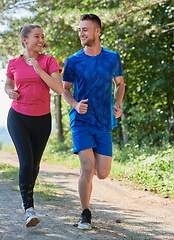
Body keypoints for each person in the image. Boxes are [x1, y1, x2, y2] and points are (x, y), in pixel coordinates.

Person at [62, 14, 125, 230]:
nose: (81, 33)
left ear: (97, 31)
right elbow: (65, 90)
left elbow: (120, 84)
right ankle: (85, 213)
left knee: (103, 173)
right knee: (87, 169)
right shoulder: (73, 61)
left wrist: (117, 104)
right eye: (80, 29)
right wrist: (75, 104)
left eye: (85, 30)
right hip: (81, 121)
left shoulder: (112, 57)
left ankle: (86, 204)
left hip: (104, 121)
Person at [5, 24, 63, 227]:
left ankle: (28, 201)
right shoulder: (13, 63)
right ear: (25, 40)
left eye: (42, 36)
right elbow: (8, 84)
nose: (41, 40)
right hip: (18, 116)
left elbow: (58, 88)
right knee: (26, 162)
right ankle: (28, 208)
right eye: (36, 36)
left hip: (42, 119)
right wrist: (9, 92)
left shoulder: (49, 61)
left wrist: (37, 68)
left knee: (35, 165)